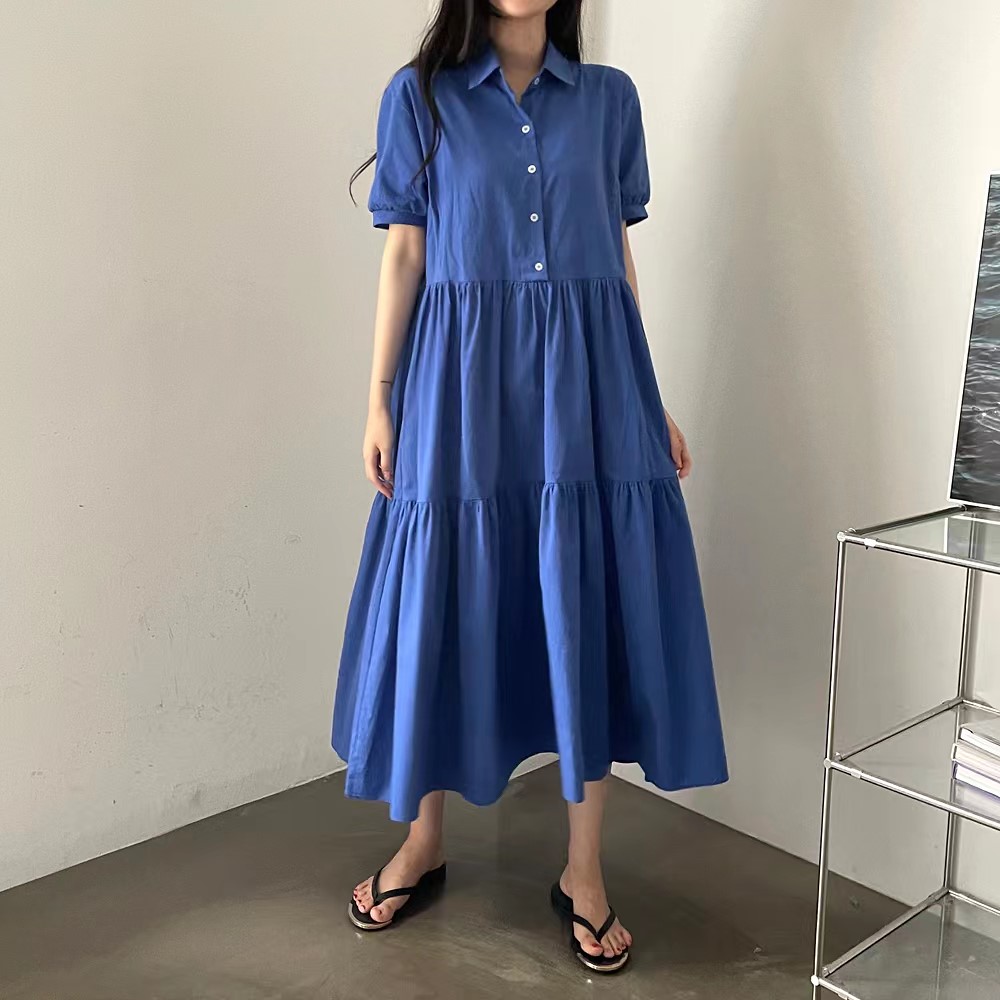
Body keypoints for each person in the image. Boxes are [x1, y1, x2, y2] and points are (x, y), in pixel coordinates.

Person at [332, 0, 727, 973]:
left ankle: (583, 870)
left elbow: (617, 259)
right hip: (458, 383)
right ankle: (422, 841)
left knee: (584, 589)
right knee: (441, 591)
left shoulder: (609, 100)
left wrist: (647, 398)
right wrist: (379, 400)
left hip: (588, 383)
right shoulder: (420, 97)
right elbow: (406, 251)